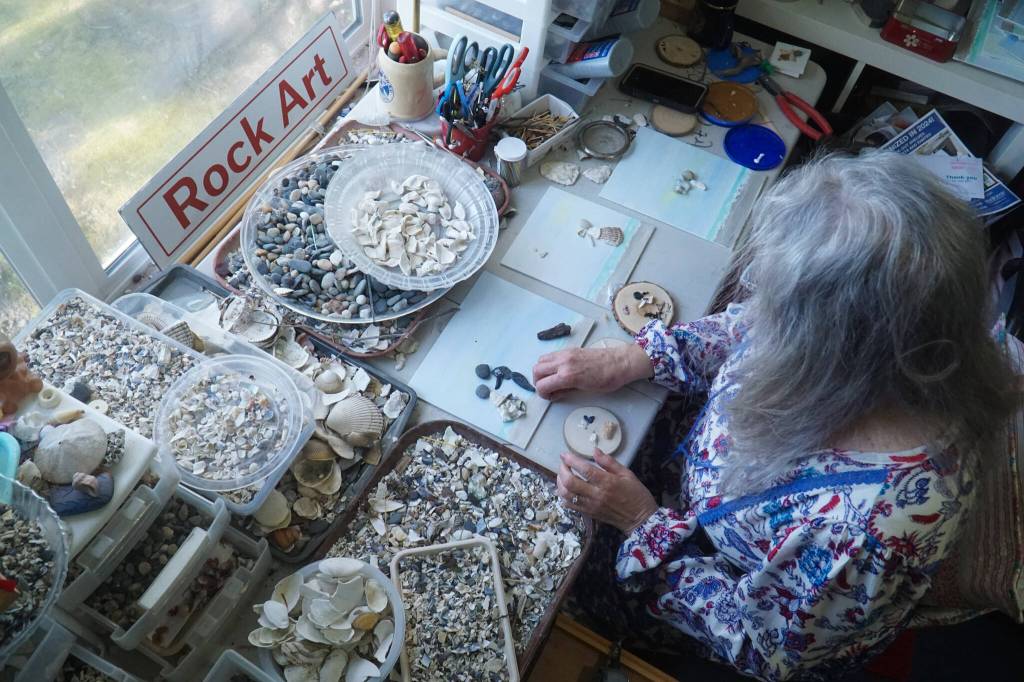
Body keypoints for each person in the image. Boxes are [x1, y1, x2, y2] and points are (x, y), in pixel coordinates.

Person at [532, 151, 1016, 681]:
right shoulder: (893, 343)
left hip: (709, 586)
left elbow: (763, 646)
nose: (760, 311)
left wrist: (642, 524)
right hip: (691, 490)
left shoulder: (866, 530)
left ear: (837, 347)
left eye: (782, 310)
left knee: (551, 566)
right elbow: (751, 326)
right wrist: (638, 357)